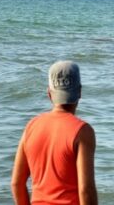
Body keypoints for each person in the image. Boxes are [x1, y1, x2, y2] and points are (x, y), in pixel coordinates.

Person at [11, 60, 98, 205]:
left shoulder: (31, 126)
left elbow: (16, 183)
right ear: (80, 92)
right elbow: (86, 189)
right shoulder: (83, 131)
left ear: (49, 93)